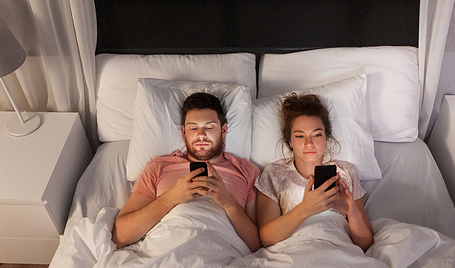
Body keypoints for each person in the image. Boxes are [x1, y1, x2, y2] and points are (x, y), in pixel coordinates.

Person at [112, 92, 261, 252]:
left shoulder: (246, 171)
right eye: (193, 128)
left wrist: (229, 203)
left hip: (221, 252)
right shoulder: (159, 167)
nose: (201, 135)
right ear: (184, 132)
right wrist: (172, 197)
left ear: (223, 130)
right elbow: (120, 236)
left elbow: (256, 245)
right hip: (168, 249)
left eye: (209, 127)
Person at [255, 93, 373, 251]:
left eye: (317, 135)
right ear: (290, 142)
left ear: (326, 138)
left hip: (339, 252)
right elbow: (266, 238)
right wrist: (305, 209)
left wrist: (352, 212)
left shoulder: (345, 172)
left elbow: (365, 244)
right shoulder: (274, 173)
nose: (308, 143)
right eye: (299, 136)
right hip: (293, 253)